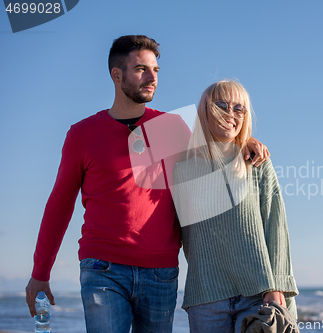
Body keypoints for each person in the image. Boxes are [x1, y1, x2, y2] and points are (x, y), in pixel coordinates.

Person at [25, 35, 270, 333]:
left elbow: (220, 142)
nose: (152, 77)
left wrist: (247, 142)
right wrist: (40, 272)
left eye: (155, 69)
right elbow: (59, 206)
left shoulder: (172, 128)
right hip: (103, 269)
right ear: (117, 75)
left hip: (161, 273)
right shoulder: (82, 134)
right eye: (141, 69)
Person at [172, 80, 299, 333]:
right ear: (204, 111)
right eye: (221, 106)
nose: (230, 114)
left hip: (258, 294)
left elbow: (276, 227)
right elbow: (182, 236)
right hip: (205, 297)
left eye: (239, 109)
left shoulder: (256, 161)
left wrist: (277, 286)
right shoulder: (182, 170)